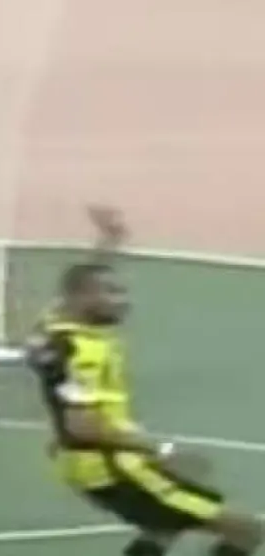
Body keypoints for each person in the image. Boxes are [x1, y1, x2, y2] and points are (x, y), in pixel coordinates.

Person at [25, 207, 262, 556]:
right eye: (112, 293)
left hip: (95, 462)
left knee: (163, 530)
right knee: (246, 529)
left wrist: (108, 242)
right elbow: (83, 426)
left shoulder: (56, 325)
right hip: (110, 465)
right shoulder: (79, 353)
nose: (124, 301)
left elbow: (76, 285)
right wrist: (160, 450)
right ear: (83, 298)